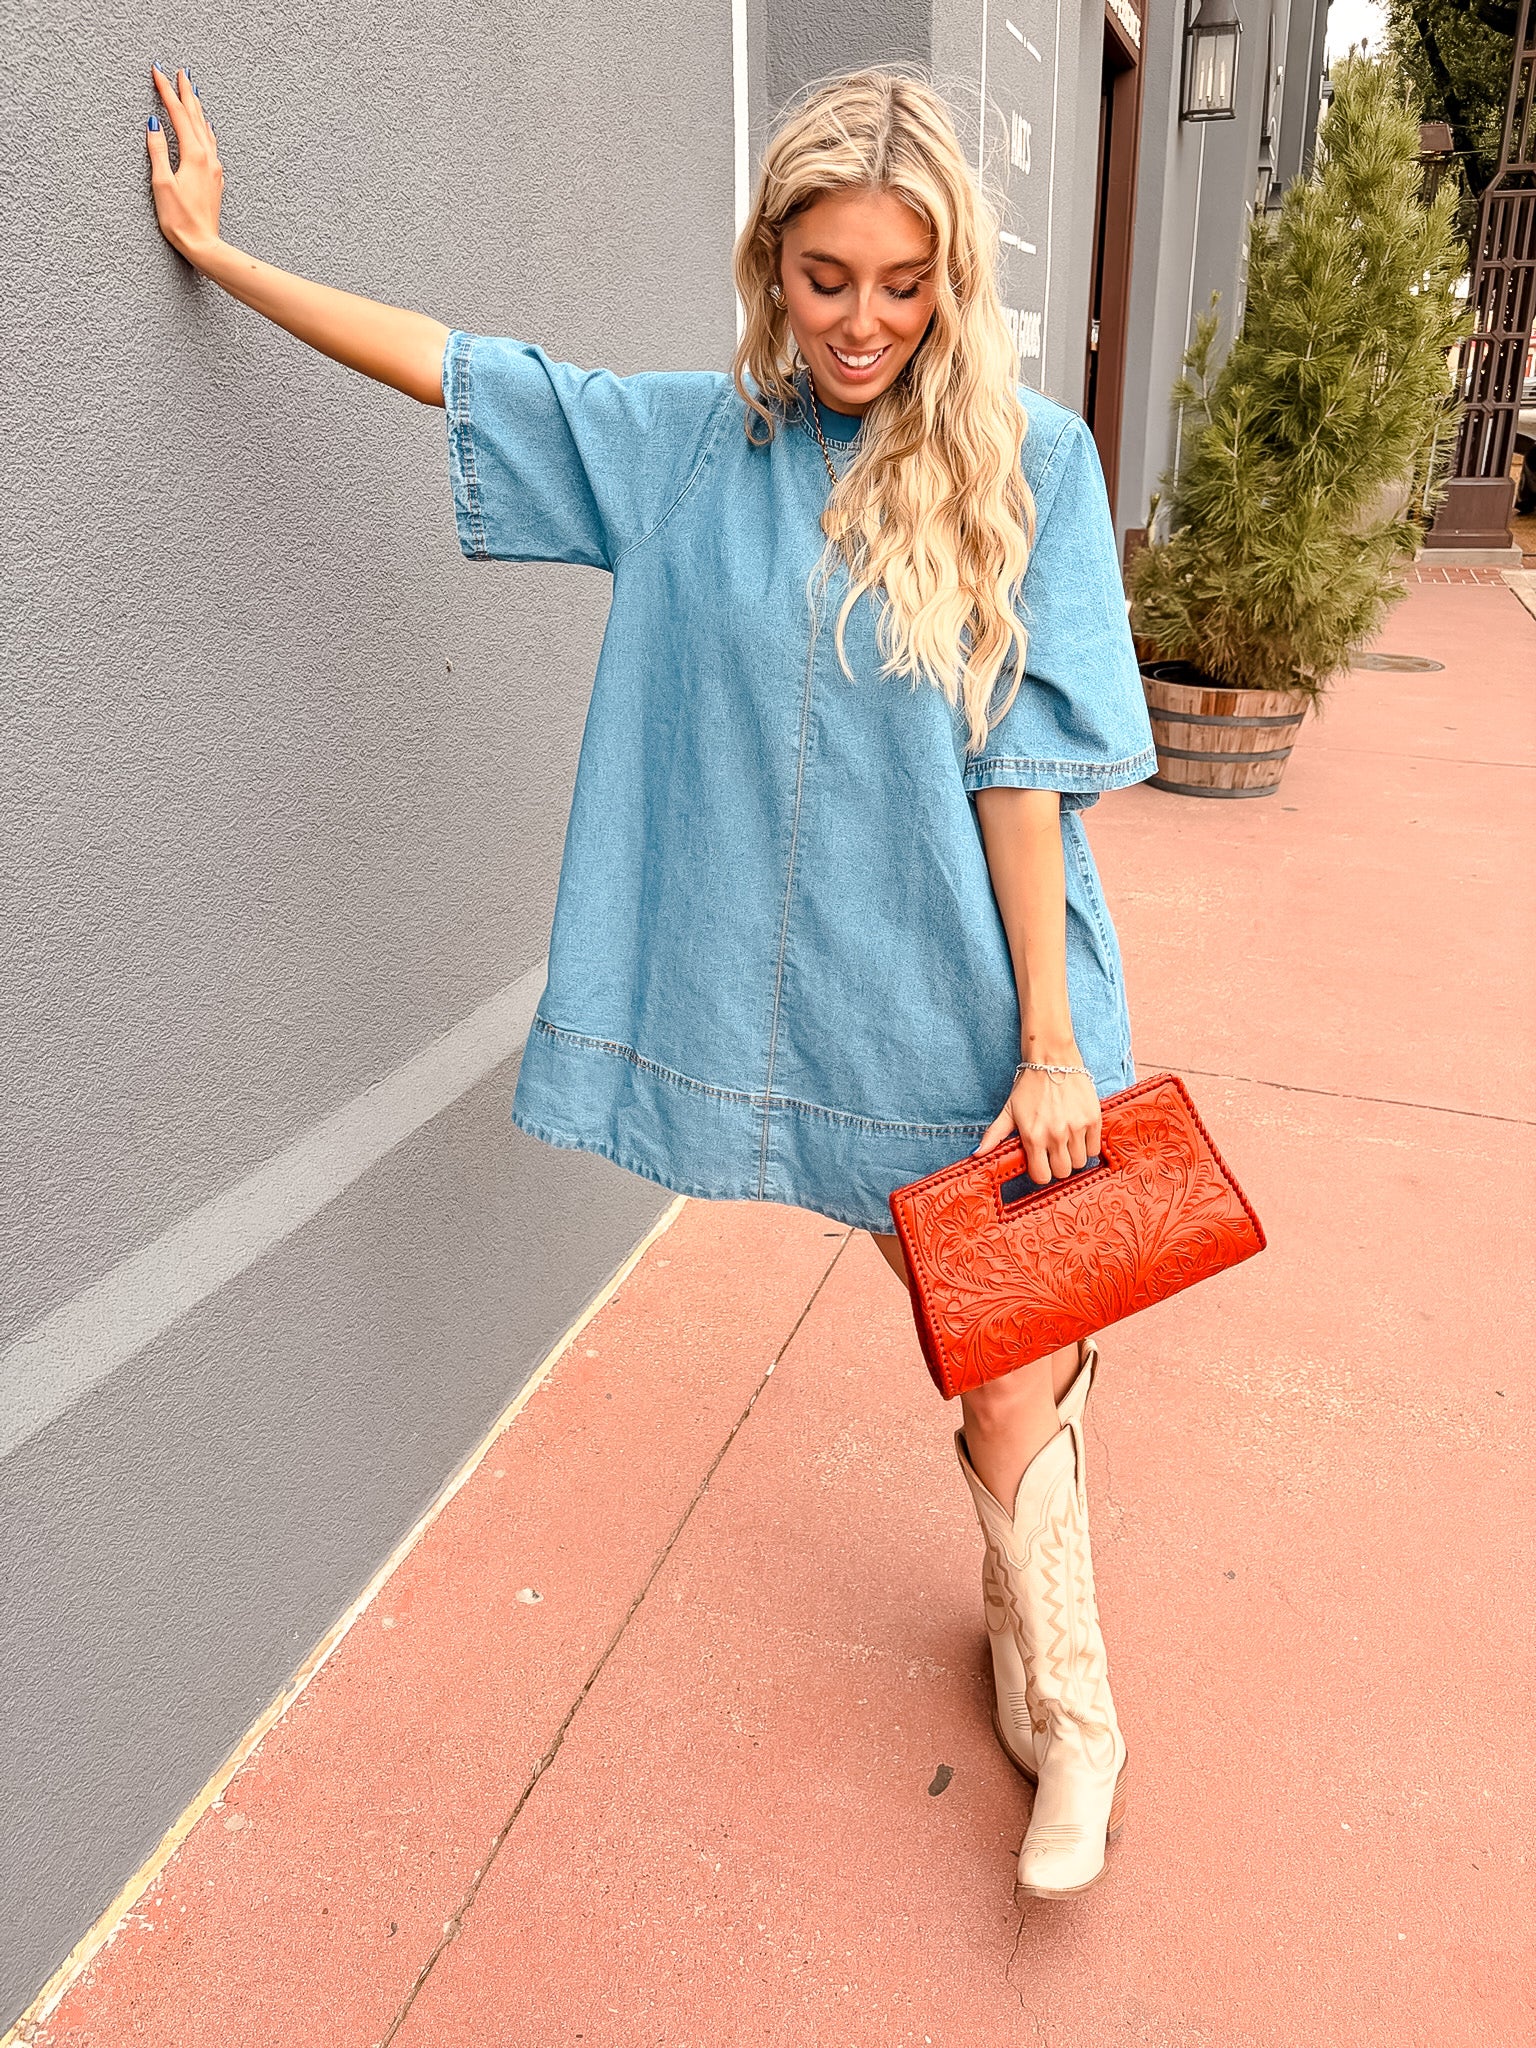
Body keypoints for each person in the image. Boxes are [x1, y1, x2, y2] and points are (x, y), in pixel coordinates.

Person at [145, 61, 1156, 1900]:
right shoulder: (696, 449)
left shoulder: (1036, 461)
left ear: (953, 281)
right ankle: (1026, 1602)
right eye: (826, 276)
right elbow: (467, 372)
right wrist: (224, 257)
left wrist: (1053, 1044)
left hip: (986, 1009)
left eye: (904, 281)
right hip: (807, 1001)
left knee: (1011, 1352)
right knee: (984, 1343)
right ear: (771, 265)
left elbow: (1027, 770)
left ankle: (1067, 1702)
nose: (863, 322)